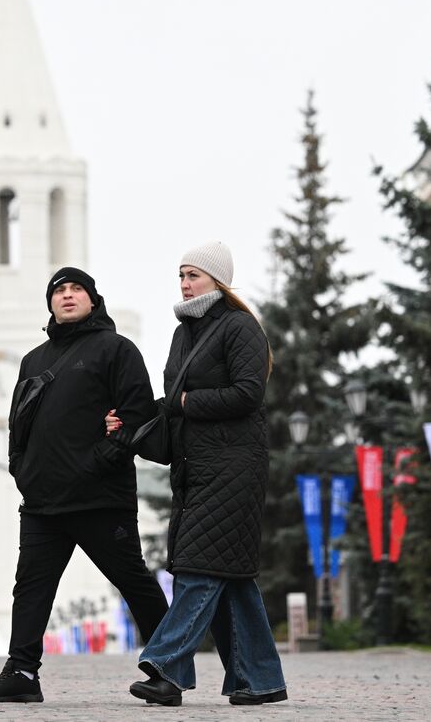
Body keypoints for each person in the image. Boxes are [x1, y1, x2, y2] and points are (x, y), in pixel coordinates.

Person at [0, 267, 169, 704]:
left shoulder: (116, 350)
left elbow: (137, 416)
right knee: (30, 588)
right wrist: (20, 468)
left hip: (100, 497)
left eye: (76, 288)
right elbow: (17, 425)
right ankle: (21, 673)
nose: (67, 296)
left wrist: (99, 461)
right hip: (43, 502)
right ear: (50, 303)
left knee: (133, 580)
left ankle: (167, 668)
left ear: (93, 299)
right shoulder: (33, 360)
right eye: (59, 290)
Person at [107, 241, 287, 707]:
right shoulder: (183, 332)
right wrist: (130, 426)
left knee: (198, 568)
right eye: (181, 275)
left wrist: (186, 404)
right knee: (230, 574)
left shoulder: (240, 327)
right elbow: (170, 410)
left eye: (194, 275)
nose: (185, 283)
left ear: (218, 280)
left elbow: (248, 393)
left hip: (234, 467)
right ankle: (260, 680)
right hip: (195, 468)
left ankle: (166, 669)